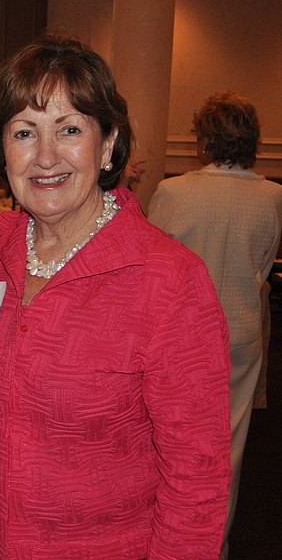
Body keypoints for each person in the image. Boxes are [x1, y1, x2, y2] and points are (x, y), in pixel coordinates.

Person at [0, 35, 231, 559]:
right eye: (24, 132)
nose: (45, 157)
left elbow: (197, 477)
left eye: (69, 129)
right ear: (3, 151)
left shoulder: (169, 280)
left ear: (107, 145)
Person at [147, 90, 282, 559]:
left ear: (203, 139)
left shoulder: (173, 192)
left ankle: (165, 539)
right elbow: (263, 269)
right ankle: (212, 546)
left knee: (168, 441)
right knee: (228, 451)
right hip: (241, 334)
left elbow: (152, 267)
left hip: (180, 336)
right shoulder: (273, 196)